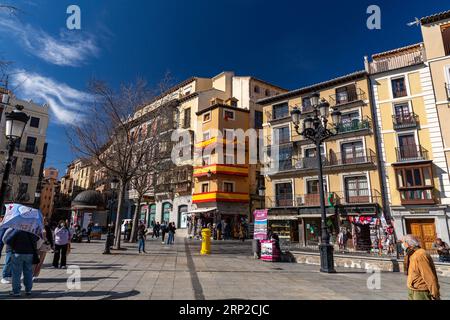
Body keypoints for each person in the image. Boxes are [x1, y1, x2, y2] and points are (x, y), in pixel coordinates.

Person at [402, 234, 440, 300]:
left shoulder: (420, 254)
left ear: (407, 243)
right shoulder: (412, 253)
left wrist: (435, 293)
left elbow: (429, 276)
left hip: (421, 291)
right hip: (413, 289)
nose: (402, 244)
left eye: (403, 242)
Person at [4, 229, 39, 297]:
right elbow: (37, 238)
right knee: (28, 272)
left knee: (16, 273)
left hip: (17, 253)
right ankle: (28, 290)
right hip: (29, 253)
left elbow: (7, 240)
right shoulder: (31, 230)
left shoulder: (17, 230)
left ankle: (16, 291)